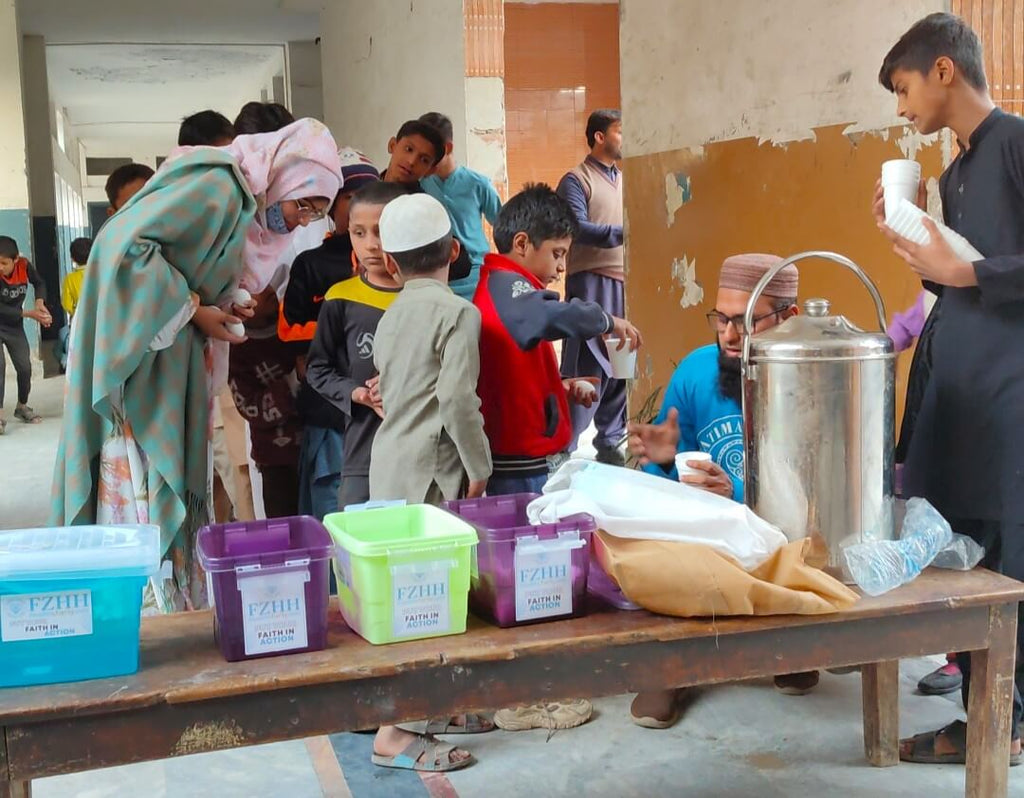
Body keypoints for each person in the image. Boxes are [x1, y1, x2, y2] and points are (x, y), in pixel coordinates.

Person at [53, 119, 341, 613]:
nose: (300, 221)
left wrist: (230, 299)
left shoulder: (240, 201)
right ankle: (136, 605)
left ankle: (163, 598)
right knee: (136, 480)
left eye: (316, 214)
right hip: (138, 359)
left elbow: (194, 262)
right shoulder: (219, 185)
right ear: (283, 178)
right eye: (303, 205)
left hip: (168, 349)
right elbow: (125, 249)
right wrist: (193, 308)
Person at [873, 12, 1024, 766]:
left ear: (942, 71)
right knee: (960, 547)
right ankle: (977, 712)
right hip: (957, 388)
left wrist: (967, 272)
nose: (902, 109)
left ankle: (1008, 721)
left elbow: (981, 272)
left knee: (1009, 548)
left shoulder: (1016, 144)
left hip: (1009, 392)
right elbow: (952, 276)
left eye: (902, 89)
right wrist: (913, 239)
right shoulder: (954, 171)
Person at [627, 254, 820, 728]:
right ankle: (671, 668)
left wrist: (736, 494)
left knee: (801, 544)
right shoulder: (695, 373)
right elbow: (667, 463)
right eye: (722, 319)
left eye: (746, 321)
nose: (730, 335)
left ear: (789, 318)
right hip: (707, 532)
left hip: (780, 532)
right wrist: (672, 470)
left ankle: (788, 646)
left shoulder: (813, 381)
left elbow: (815, 489)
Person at [368, 193, 492, 773]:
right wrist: (480, 464)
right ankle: (395, 732)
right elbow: (456, 401)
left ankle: (438, 706)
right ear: (452, 250)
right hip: (431, 475)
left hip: (389, 465)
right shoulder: (458, 313)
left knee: (407, 599)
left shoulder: (390, 315)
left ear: (389, 264)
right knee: (428, 603)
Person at [474, 183, 641, 497]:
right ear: (522, 243)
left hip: (525, 458)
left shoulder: (505, 290)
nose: (562, 266)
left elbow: (513, 369)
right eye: (557, 253)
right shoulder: (509, 289)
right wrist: (607, 321)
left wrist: (559, 385)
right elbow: (553, 315)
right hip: (521, 466)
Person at [282, 148, 381, 519]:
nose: (361, 208)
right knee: (333, 517)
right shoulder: (313, 263)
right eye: (351, 198)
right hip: (331, 412)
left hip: (383, 416)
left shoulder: (400, 263)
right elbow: (289, 329)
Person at [305, 180, 406, 510]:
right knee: (357, 545)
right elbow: (318, 369)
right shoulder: (341, 298)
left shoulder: (423, 296)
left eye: (380, 231)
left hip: (420, 453)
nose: (371, 245)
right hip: (363, 453)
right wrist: (357, 393)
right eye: (358, 233)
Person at [557, 109, 628, 465]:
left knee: (622, 363)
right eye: (619, 131)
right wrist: (623, 233)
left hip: (624, 281)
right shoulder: (576, 179)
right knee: (588, 363)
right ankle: (562, 445)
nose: (624, 137)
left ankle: (612, 441)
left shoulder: (625, 179)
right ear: (599, 136)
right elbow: (577, 227)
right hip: (590, 281)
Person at [227, 286, 303, 518]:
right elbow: (249, 407)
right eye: (254, 288)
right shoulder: (236, 350)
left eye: (267, 282)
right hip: (276, 460)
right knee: (285, 530)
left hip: (317, 447)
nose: (267, 288)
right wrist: (291, 383)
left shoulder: (297, 322)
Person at [419, 111, 502, 299]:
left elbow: (504, 226)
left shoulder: (478, 184)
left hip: (476, 275)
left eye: (430, 153)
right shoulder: (420, 184)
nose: (423, 159)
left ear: (447, 148)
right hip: (435, 275)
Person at [0, 236, 51, 433]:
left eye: (4, 263)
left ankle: (22, 406)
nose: (0, 267)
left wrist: (39, 302)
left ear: (15, 260)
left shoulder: (25, 266)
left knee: (24, 368)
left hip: (14, 327)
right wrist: (29, 313)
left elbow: (39, 283)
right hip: (6, 318)